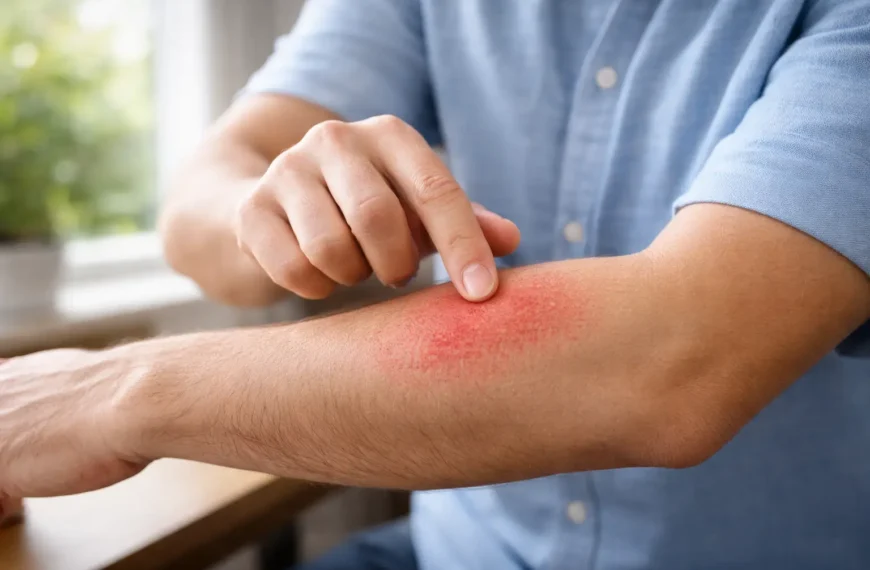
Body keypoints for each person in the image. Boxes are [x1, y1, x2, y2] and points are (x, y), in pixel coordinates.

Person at [1, 0, 869, 568]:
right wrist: (274, 211)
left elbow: (673, 365)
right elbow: (198, 203)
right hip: (456, 549)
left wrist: (115, 392)